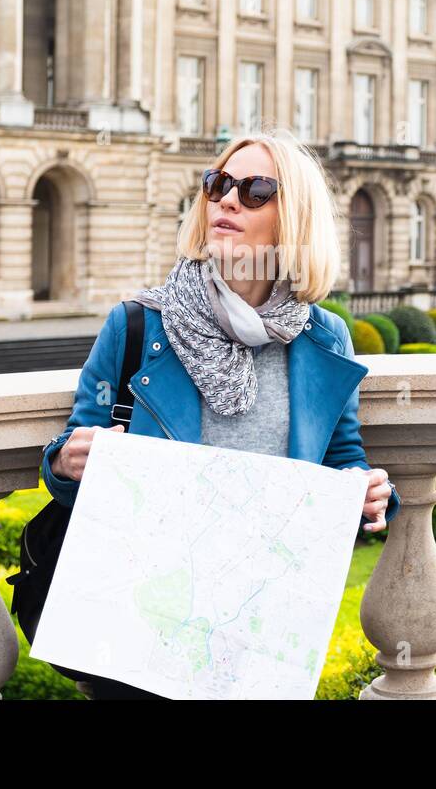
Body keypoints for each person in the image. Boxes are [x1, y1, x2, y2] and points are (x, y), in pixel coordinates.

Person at [39, 128, 400, 699]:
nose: (228, 199)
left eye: (255, 189)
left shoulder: (324, 336)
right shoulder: (139, 324)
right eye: (219, 184)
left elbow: (343, 461)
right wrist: (65, 463)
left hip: (257, 632)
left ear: (294, 217)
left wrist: (369, 496)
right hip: (143, 628)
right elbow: (67, 457)